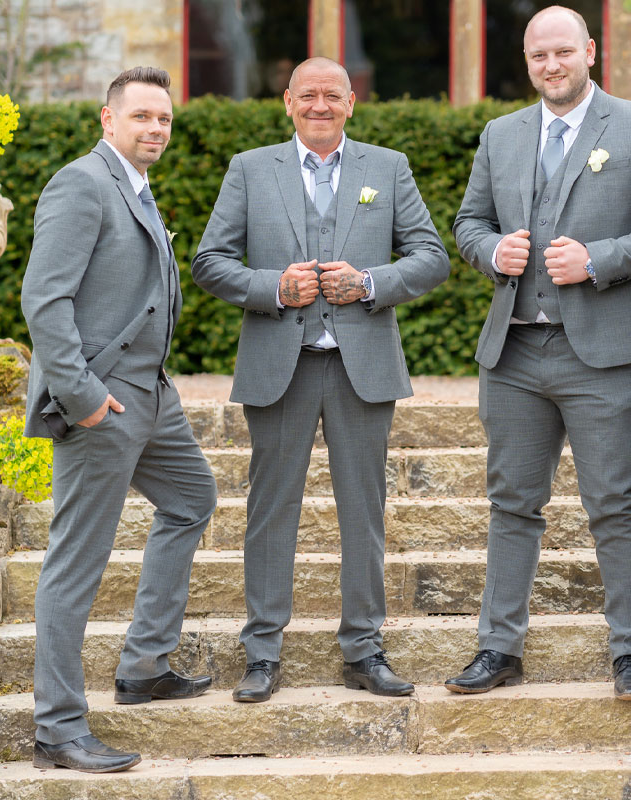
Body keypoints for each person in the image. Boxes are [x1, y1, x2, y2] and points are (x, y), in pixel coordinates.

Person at [447, 5, 631, 700]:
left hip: (606, 354)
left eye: (562, 52)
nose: (550, 66)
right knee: (511, 503)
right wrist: (492, 249)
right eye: (537, 57)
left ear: (589, 50)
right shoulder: (501, 134)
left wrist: (601, 258)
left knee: (615, 502)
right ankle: (499, 647)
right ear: (527, 63)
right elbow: (469, 222)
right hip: (516, 350)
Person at [192, 57, 449, 702]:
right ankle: (262, 653)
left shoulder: (387, 168)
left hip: (362, 367)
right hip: (280, 364)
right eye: (307, 95)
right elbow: (209, 261)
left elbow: (431, 257)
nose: (319, 105)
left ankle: (364, 649)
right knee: (269, 510)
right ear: (287, 102)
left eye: (331, 95)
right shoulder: (250, 169)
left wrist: (370, 283)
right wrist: (271, 287)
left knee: (364, 511)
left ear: (351, 102)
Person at [21, 67, 217, 773]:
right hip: (100, 402)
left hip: (151, 397)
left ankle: (142, 666)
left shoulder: (135, 186)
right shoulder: (80, 184)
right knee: (75, 564)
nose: (155, 129)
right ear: (108, 120)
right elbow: (45, 300)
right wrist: (80, 397)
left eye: (163, 118)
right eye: (141, 117)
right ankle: (58, 729)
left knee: (193, 499)